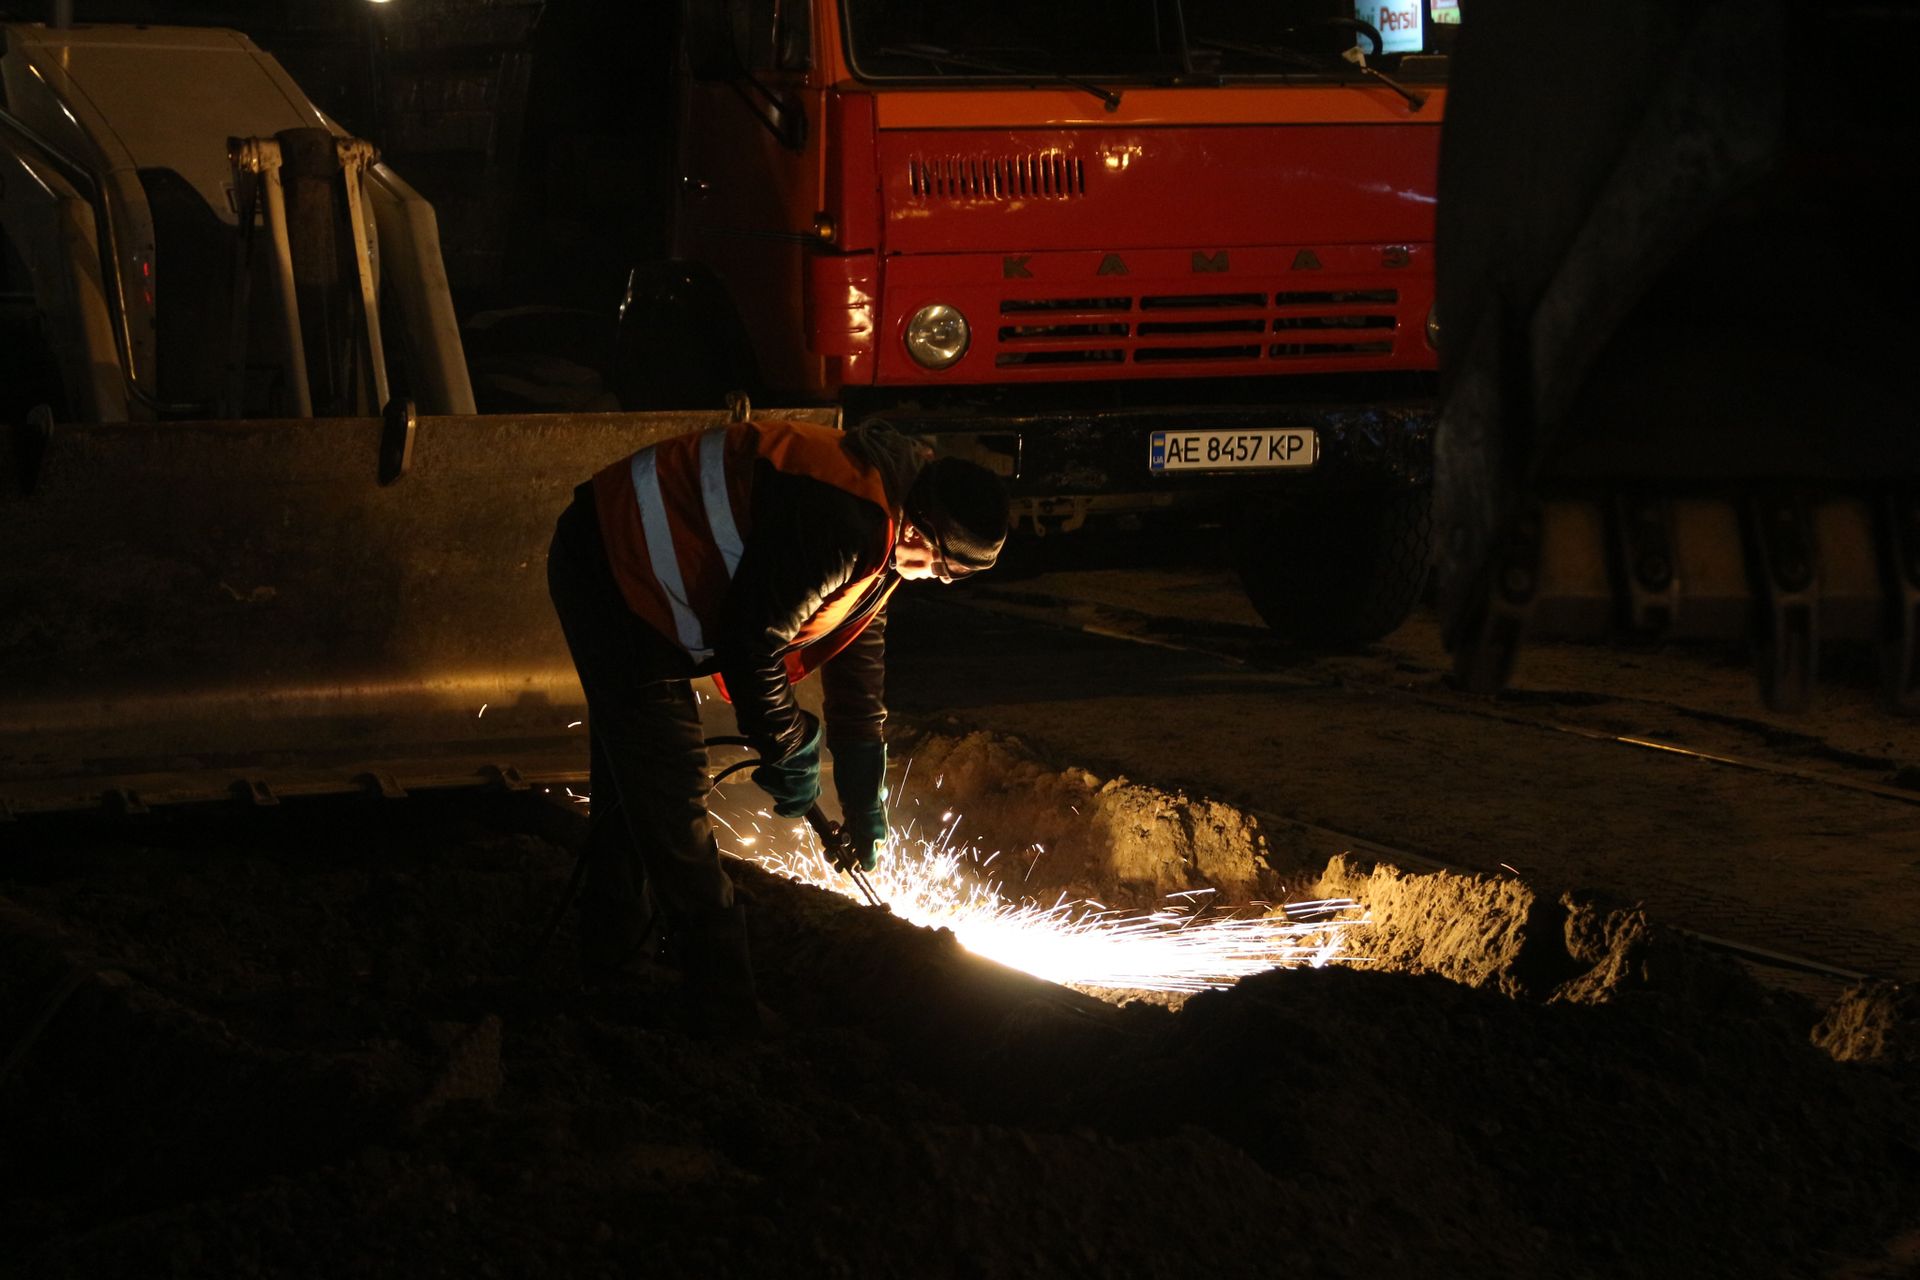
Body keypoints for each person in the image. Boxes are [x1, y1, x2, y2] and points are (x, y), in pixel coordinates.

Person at [545, 415, 1010, 1034]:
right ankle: (723, 1003)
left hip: (625, 562)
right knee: (670, 782)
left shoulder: (889, 513)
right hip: (612, 562)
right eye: (943, 572)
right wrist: (787, 745)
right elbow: (749, 645)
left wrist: (862, 783)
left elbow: (858, 644)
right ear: (924, 533)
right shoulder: (846, 515)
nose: (934, 582)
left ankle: (610, 957)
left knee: (636, 782)